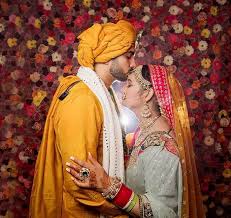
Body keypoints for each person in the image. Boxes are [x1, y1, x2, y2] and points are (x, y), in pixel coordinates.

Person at [66, 65, 205, 218]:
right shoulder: (140, 135)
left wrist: (107, 185)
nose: (123, 89)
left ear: (147, 93)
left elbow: (166, 214)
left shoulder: (161, 149)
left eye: (130, 84)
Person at [29, 20, 136, 218]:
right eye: (128, 56)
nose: (133, 63)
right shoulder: (83, 98)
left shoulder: (104, 94)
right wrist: (120, 210)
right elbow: (78, 173)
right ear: (107, 55)